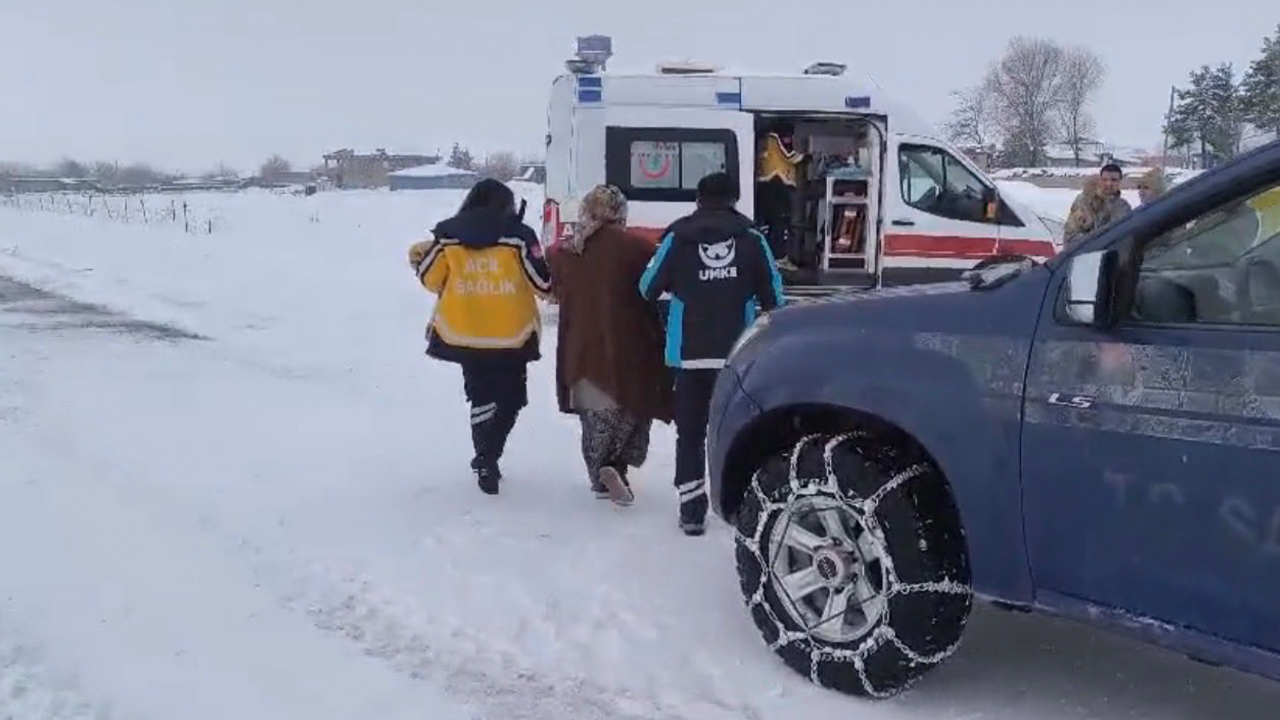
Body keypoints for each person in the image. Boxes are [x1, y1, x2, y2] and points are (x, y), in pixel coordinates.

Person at [639, 172, 786, 536]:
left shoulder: (677, 237)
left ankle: (691, 511)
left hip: (688, 357)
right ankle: (744, 508)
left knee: (690, 434)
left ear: (698, 198)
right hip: (737, 356)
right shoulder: (752, 239)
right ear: (734, 198)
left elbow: (646, 287)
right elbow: (776, 299)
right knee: (739, 431)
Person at [407, 179, 551, 496]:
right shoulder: (519, 236)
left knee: (481, 396)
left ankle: (485, 458)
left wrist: (418, 255)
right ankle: (489, 455)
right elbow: (542, 283)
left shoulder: (447, 234)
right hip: (512, 335)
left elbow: (432, 280)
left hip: (464, 332)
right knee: (512, 399)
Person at [548, 185, 674, 505]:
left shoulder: (565, 250)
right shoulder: (636, 247)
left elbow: (551, 289)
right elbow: (660, 283)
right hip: (631, 345)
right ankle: (616, 466)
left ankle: (600, 472)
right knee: (632, 408)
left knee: (595, 416)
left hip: (581, 348)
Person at [755, 129, 805, 272]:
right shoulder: (776, 138)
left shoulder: (764, 139)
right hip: (777, 182)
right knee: (779, 224)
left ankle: (769, 257)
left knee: (766, 224)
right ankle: (779, 258)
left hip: (766, 183)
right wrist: (806, 155)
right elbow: (791, 156)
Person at [1064, 164, 1133, 246]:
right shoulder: (1084, 202)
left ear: (1120, 181)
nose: (1109, 184)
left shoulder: (1123, 207)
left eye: (1114, 180)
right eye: (1105, 180)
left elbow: (1126, 237)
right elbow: (1069, 238)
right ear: (1100, 180)